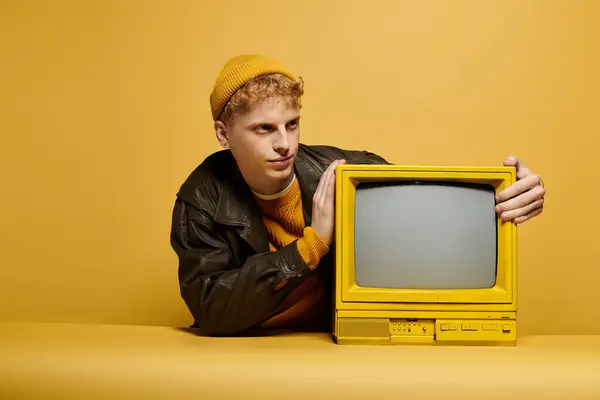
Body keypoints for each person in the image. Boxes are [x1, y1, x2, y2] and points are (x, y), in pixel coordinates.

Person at [170, 55, 546, 336]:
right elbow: (212, 308)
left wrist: (509, 200)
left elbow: (432, 218)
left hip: (343, 349)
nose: (284, 144)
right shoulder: (200, 200)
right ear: (223, 135)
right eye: (264, 128)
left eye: (292, 125)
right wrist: (311, 245)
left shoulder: (343, 172)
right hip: (248, 354)